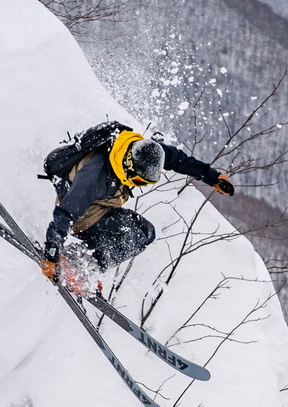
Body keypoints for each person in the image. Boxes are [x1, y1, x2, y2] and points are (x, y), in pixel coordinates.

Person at [38, 120, 234, 287]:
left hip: (99, 206)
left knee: (145, 232)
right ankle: (80, 263)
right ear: (129, 167)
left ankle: (82, 260)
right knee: (131, 235)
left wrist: (213, 178)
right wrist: (51, 253)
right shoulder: (95, 176)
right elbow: (65, 213)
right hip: (82, 212)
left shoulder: (142, 151)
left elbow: (177, 160)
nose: (140, 185)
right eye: (140, 181)